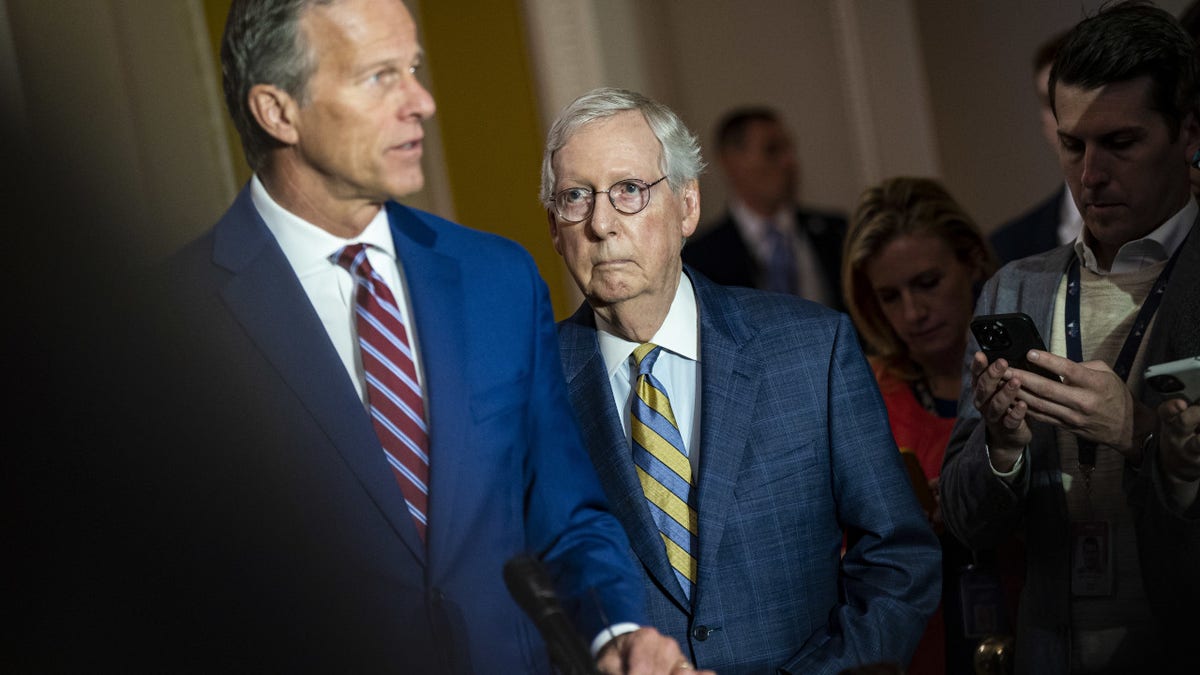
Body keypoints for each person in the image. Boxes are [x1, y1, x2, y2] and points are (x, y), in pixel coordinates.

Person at [140, 1, 706, 672]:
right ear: (278, 111)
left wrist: (615, 633)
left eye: (414, 68)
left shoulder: (498, 278)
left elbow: (567, 520)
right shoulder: (162, 326)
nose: (422, 101)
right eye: (380, 76)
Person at [543, 86, 941, 674]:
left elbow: (899, 560)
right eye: (576, 197)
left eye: (629, 190)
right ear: (556, 228)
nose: (602, 223)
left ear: (687, 207)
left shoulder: (812, 350)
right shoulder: (529, 390)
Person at [940, 2, 1200, 673]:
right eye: (1072, 144)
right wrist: (1001, 451)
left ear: (1188, 133)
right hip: (1050, 647)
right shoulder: (1013, 288)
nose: (1090, 175)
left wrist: (1140, 431)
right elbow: (967, 522)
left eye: (1120, 144)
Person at [843, 177, 1021, 675]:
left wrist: (976, 496)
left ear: (971, 262)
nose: (913, 313)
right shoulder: (865, 392)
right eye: (890, 296)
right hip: (920, 645)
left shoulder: (1028, 368)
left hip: (1034, 623)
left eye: (927, 283)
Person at [682, 106, 847, 309]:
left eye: (789, 149)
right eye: (772, 150)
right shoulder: (700, 259)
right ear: (731, 161)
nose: (789, 161)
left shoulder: (837, 233)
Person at [989, 29, 1083, 265]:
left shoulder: (1174, 214)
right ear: (1043, 121)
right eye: (1051, 103)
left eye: (1079, 98)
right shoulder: (1006, 250)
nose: (1066, 119)